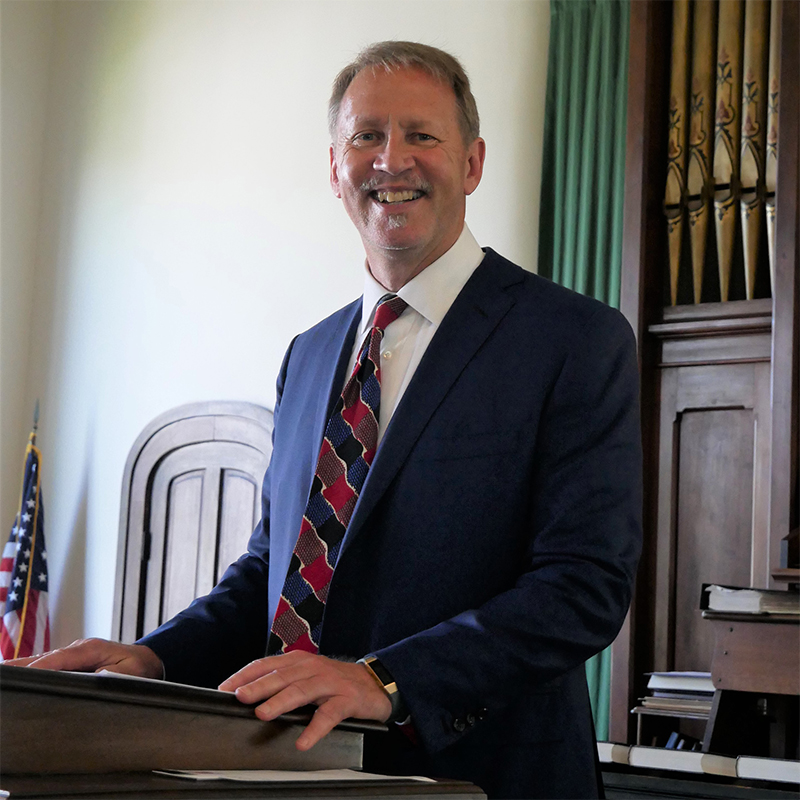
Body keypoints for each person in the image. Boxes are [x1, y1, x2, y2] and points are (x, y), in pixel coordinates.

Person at [9, 42, 642, 799]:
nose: (391, 160)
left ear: (473, 164)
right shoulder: (308, 356)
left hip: (483, 779)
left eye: (421, 135)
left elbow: (582, 586)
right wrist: (156, 658)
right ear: (335, 167)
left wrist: (386, 679)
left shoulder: (574, 339)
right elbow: (273, 573)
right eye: (366, 136)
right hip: (294, 773)